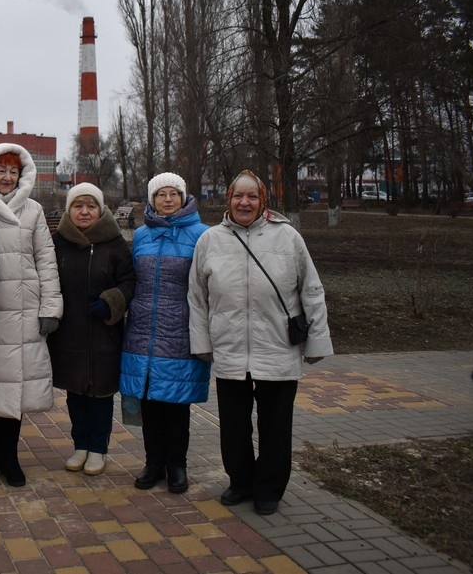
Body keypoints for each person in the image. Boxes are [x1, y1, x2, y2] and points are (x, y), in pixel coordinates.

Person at [188, 169, 333, 515]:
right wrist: (202, 344)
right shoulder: (210, 240)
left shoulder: (288, 238)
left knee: (275, 426)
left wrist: (317, 342)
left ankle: (269, 488)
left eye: (252, 196)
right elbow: (197, 297)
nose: (244, 202)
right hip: (230, 350)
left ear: (263, 201)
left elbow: (311, 290)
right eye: (238, 196)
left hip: (278, 349)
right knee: (234, 426)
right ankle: (240, 482)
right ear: (228, 199)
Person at [0, 143, 63, 488]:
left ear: (22, 176)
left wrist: (51, 307)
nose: (7, 177)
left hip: (23, 310)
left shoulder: (33, 211)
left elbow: (46, 261)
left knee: (16, 387)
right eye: (1, 171)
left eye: (13, 171)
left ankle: (10, 457)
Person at [120, 172, 210, 494]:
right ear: (152, 200)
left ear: (184, 198)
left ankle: (177, 466)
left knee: (176, 404)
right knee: (148, 402)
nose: (168, 199)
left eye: (174, 193)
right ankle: (153, 462)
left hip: (180, 332)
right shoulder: (142, 235)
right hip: (142, 330)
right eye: (161, 194)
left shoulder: (203, 235)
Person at [47, 183, 135, 476]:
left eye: (91, 206)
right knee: (75, 393)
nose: (84, 212)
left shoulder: (114, 243)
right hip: (69, 332)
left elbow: (129, 282)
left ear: (100, 210)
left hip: (103, 332)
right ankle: (80, 445)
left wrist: (111, 302)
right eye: (78, 206)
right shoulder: (57, 243)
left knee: (100, 395)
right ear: (69, 210)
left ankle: (98, 448)